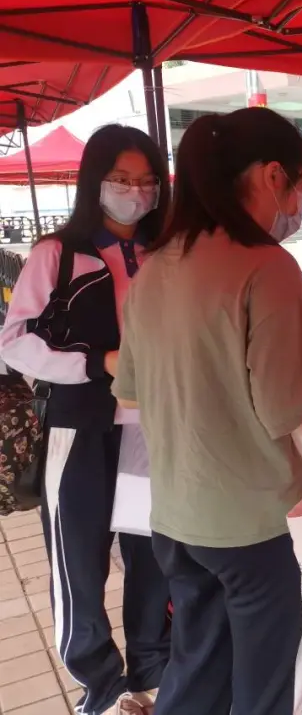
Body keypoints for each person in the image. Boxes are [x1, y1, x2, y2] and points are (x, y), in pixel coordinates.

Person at [112, 107, 302, 715]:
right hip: (257, 526)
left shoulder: (158, 264)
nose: (299, 202)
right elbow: (285, 409)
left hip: (177, 519)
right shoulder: (267, 265)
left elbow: (131, 391)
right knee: (269, 685)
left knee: (198, 670)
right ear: (273, 176)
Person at [0, 125, 172, 715]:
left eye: (147, 181)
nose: (136, 191)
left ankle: (153, 672)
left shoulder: (166, 254)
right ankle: (100, 687)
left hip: (154, 428)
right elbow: (15, 342)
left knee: (152, 553)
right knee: (78, 560)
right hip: (78, 429)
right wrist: (98, 362)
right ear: (95, 181)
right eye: (122, 179)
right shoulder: (57, 254)